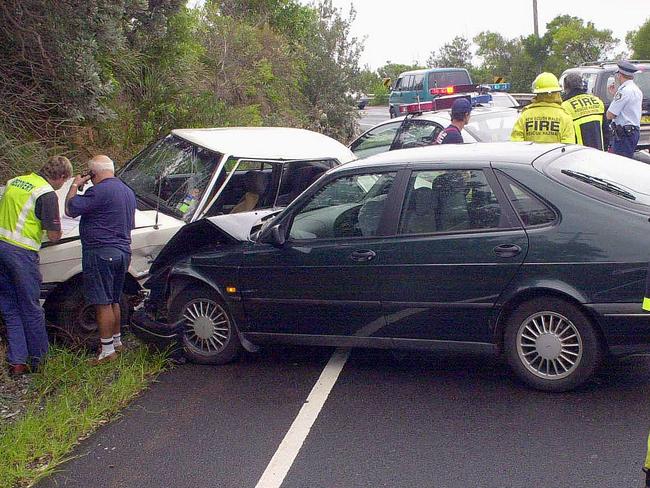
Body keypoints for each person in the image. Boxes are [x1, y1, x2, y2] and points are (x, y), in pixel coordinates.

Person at [0, 156, 73, 375]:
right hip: (21, 254)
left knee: (11, 308)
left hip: (1, 247)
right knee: (32, 308)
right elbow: (53, 235)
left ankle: (17, 362)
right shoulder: (46, 194)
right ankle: (39, 361)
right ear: (60, 178)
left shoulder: (15, 181)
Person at [65, 155, 136, 365]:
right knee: (114, 299)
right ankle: (117, 342)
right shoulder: (127, 191)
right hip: (123, 252)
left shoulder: (98, 190)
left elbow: (70, 209)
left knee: (101, 302)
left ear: (93, 173)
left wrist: (75, 186)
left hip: (101, 252)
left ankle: (106, 352)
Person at [511, 72, 575, 143]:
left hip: (531, 154)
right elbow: (568, 147)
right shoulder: (565, 117)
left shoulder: (525, 115)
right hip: (556, 154)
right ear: (557, 92)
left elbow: (516, 144)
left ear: (537, 93)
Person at [606, 60, 643, 158]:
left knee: (620, 164)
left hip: (623, 135)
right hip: (632, 132)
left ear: (620, 75)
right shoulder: (636, 89)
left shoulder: (623, 91)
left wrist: (615, 97)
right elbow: (627, 107)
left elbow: (610, 114)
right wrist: (615, 95)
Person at [561, 72, 606, 150]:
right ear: (582, 85)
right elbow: (606, 131)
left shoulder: (565, 106)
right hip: (599, 152)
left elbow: (566, 135)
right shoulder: (598, 101)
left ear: (566, 87)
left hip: (578, 153)